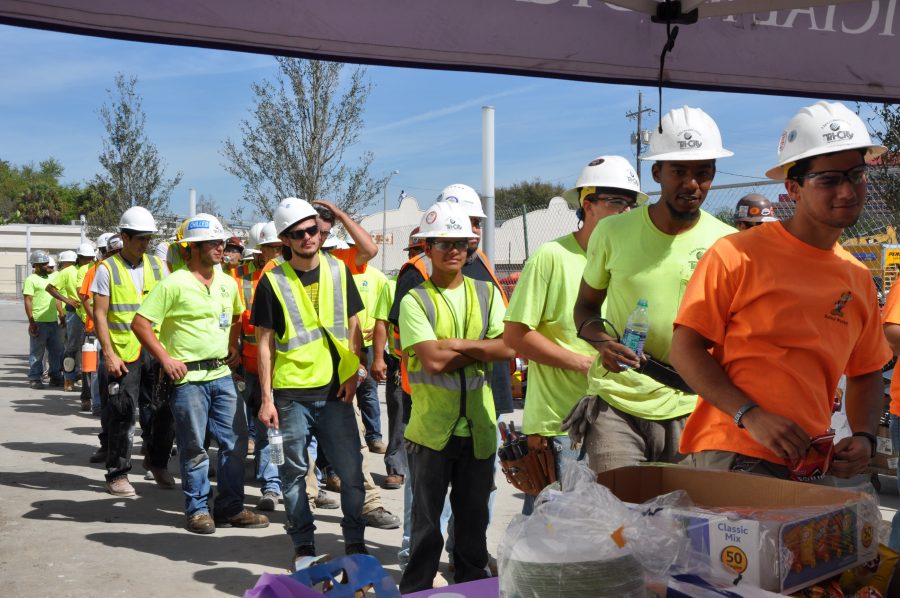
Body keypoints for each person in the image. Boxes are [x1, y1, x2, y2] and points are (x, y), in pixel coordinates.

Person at [671, 100, 891, 482]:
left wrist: (864, 436)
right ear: (794, 188)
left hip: (808, 461)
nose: (847, 190)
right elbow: (685, 349)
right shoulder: (737, 254)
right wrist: (749, 415)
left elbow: (867, 371)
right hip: (735, 449)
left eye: (856, 174)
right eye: (828, 179)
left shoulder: (856, 277)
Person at [570, 106, 735, 474]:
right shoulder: (613, 233)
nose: (691, 184)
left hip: (694, 406)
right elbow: (584, 309)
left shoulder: (729, 244)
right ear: (657, 172)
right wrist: (602, 344)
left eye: (703, 173)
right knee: (621, 522)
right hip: (618, 401)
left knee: (683, 524)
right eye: (678, 171)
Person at [504, 155, 647, 514]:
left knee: (609, 533)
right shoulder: (551, 257)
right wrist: (584, 363)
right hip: (562, 428)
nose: (626, 210)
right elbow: (516, 335)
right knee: (555, 539)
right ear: (588, 204)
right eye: (616, 201)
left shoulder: (629, 262)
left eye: (631, 203)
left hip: (620, 422)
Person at [398, 201, 514, 593]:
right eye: (443, 243)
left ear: (470, 246)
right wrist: (481, 346)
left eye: (461, 243)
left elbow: (507, 348)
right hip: (432, 432)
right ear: (426, 248)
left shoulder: (486, 292)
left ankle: (471, 585)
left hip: (479, 429)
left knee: (473, 525)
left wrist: (458, 345)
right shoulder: (415, 300)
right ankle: (416, 588)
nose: (453, 250)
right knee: (426, 526)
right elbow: (431, 360)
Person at [132, 213, 269, 534]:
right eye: (214, 243)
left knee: (235, 442)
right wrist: (165, 359)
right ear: (193, 247)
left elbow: (236, 314)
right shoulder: (174, 283)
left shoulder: (226, 282)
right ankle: (197, 510)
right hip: (187, 380)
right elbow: (140, 323)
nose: (221, 248)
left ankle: (231, 508)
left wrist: (234, 343)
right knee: (194, 447)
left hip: (221, 374)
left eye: (222, 242)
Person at [252, 197, 369, 562]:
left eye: (313, 230)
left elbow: (353, 326)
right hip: (290, 396)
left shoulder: (338, 270)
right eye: (298, 233)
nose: (308, 237)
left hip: (335, 393)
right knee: (291, 474)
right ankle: (303, 544)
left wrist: (354, 373)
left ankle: (354, 542)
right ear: (285, 239)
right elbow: (265, 344)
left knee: (351, 474)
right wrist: (267, 399)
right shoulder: (271, 281)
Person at [91, 206, 174, 497]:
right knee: (123, 413)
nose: (144, 244)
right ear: (123, 237)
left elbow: (168, 306)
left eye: (147, 239)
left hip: (155, 349)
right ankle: (117, 473)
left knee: (162, 411)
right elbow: (100, 315)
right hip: (124, 352)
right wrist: (108, 353)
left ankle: (157, 462)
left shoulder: (157, 266)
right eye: (139, 238)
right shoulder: (107, 269)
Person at [371, 227, 426, 490]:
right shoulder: (394, 284)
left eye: (421, 251)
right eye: (414, 252)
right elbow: (382, 323)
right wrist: (379, 359)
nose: (417, 257)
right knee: (399, 419)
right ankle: (395, 467)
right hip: (400, 365)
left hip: (431, 366)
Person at [353, 264, 388, 453]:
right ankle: (353, 437)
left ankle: (374, 436)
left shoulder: (377, 276)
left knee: (368, 390)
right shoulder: (340, 272)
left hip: (368, 343)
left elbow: (387, 308)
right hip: (346, 343)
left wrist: (379, 328)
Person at [23, 250, 64, 390]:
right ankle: (35, 377)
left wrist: (61, 315)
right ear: (36, 265)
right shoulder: (31, 280)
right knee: (37, 352)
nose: (47, 265)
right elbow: (27, 300)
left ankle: (55, 376)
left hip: (53, 321)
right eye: (44, 264)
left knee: (56, 351)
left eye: (47, 263)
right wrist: (31, 321)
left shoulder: (52, 278)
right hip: (39, 321)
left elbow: (56, 298)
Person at [46, 249, 82, 394]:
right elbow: (50, 288)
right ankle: (69, 380)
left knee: (83, 349)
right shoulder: (68, 272)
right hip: (75, 315)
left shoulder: (89, 269)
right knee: (73, 348)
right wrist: (67, 301)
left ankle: (76, 379)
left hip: (87, 315)